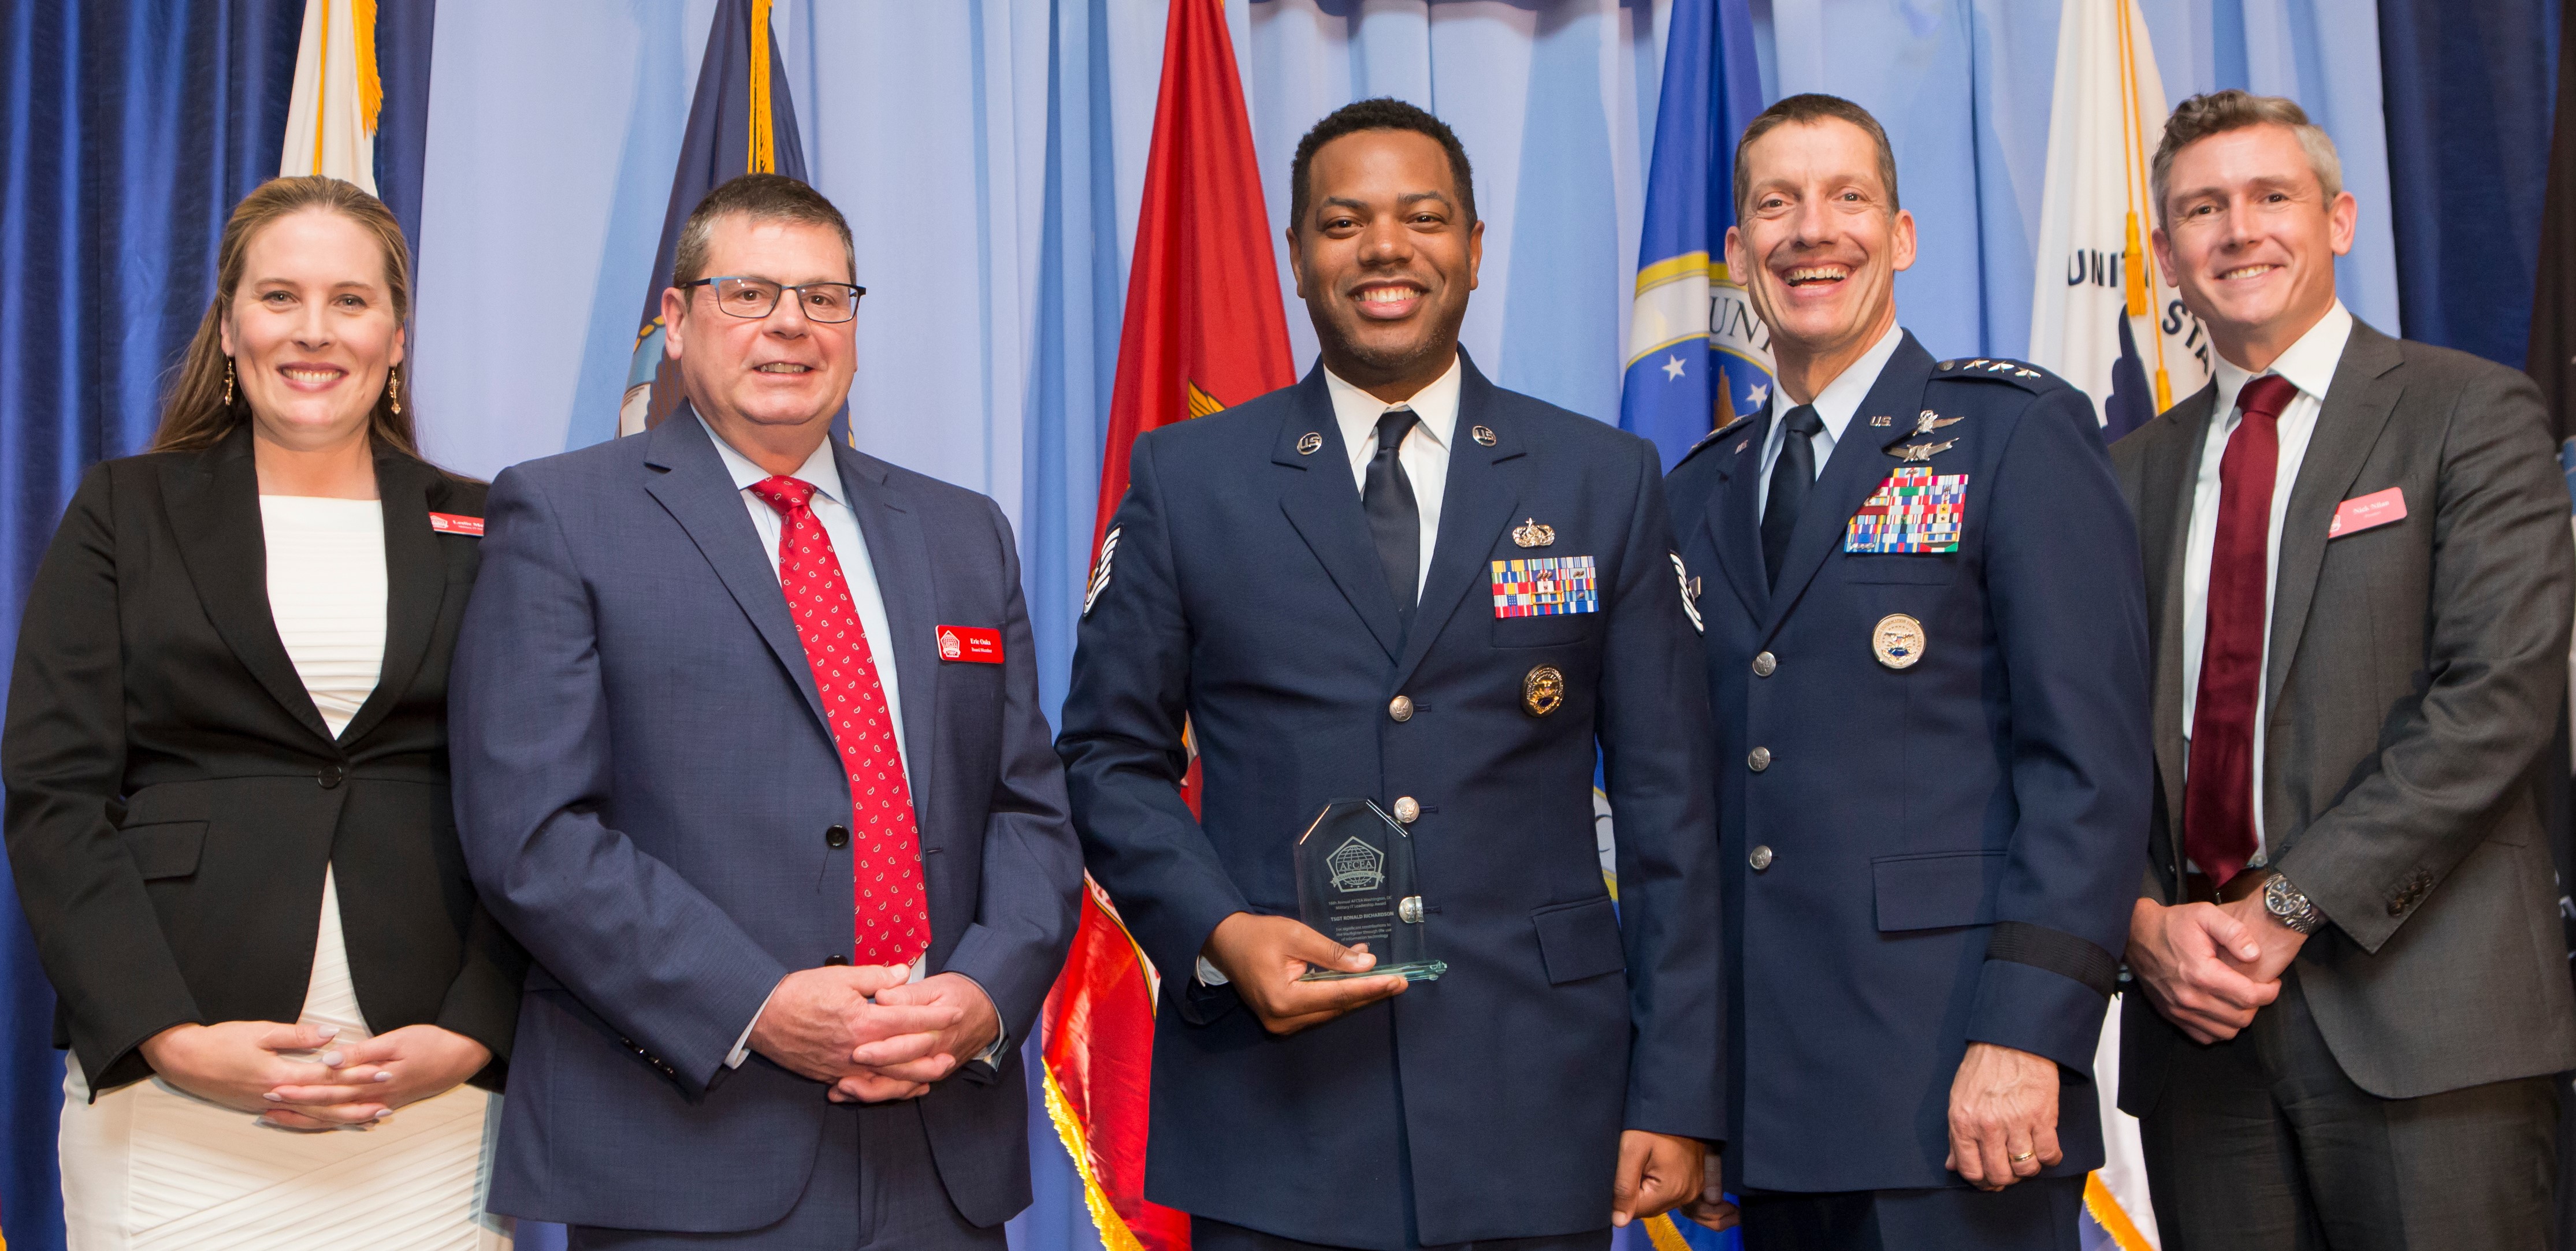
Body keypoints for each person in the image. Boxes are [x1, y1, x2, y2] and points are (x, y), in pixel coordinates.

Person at [1057, 98, 1722, 1251]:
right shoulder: (1188, 478)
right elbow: (1109, 758)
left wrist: (1673, 1090)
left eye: (1422, 218)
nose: (1384, 249)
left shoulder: (1598, 479)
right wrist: (1218, 930)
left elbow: (1670, 804)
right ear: (1298, 259)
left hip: (1537, 1094)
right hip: (1279, 1111)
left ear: (1471, 248)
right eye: (1343, 222)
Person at [447, 173, 1081, 1249]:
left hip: (940, 1149)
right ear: (676, 320)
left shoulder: (961, 530)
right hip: (688, 1145)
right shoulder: (561, 513)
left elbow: (1027, 807)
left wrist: (982, 994)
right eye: (748, 292)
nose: (791, 323)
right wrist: (758, 1003)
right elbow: (533, 835)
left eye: (825, 297)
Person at [1662, 94, 2151, 1250]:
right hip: (1772, 1110)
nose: (1808, 231)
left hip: (1960, 1089)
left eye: (1845, 198)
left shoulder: (2012, 435)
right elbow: (1699, 810)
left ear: (1902, 233)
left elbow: (2087, 769)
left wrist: (2028, 1032)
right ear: (1736, 253)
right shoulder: (1697, 493)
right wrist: (1695, 1091)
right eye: (1774, 206)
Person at [2, 176, 522, 1248]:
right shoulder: (122, 508)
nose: (314, 330)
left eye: (350, 299)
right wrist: (166, 1034)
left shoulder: (489, 522)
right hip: (174, 1082)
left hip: (421, 1093)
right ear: (230, 325)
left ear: (395, 333)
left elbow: (540, 803)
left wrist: (475, 1032)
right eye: (280, 296)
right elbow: (54, 796)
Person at [2109, 90, 2576, 1249]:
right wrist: (2137, 924)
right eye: (2201, 211)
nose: (2239, 231)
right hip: (2197, 1043)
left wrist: (2281, 908)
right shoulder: (2126, 474)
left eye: (2272, 197)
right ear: (2165, 255)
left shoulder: (2466, 413)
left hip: (2427, 1027)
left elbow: (2496, 695)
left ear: (2340, 219)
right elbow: (2084, 738)